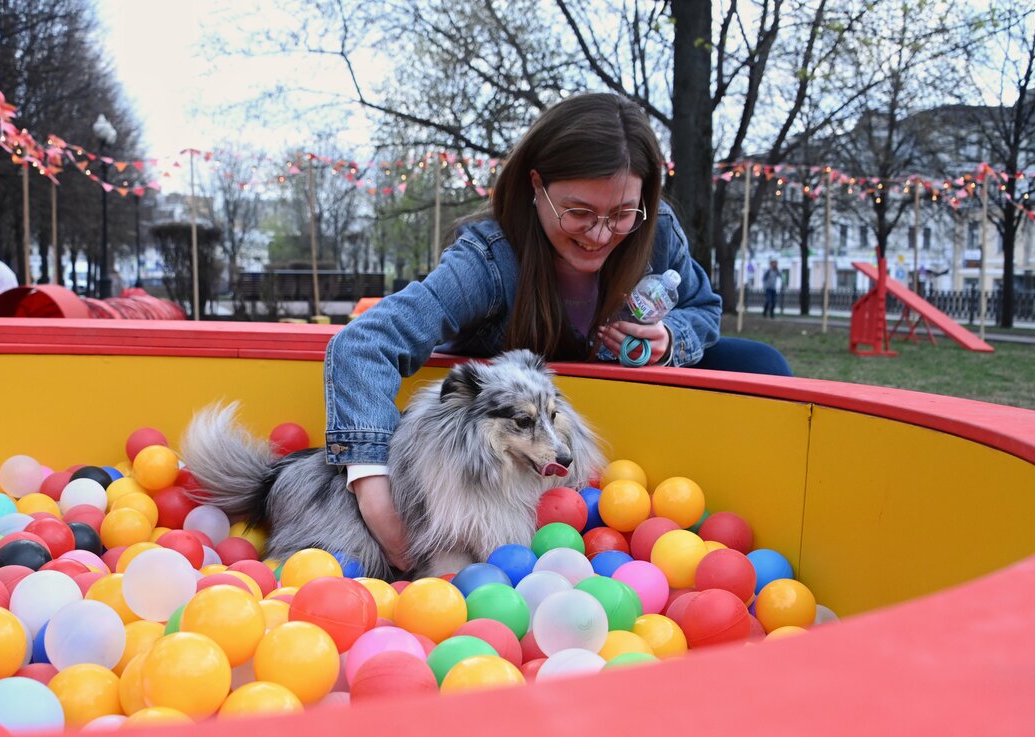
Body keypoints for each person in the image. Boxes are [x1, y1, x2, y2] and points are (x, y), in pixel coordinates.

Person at [323, 92, 792, 570]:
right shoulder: (487, 262)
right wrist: (374, 492)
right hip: (508, 475)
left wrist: (672, 337)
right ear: (536, 186)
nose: (601, 234)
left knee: (762, 364)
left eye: (623, 213)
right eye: (580, 212)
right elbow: (365, 343)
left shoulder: (659, 232)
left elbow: (702, 305)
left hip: (602, 459)